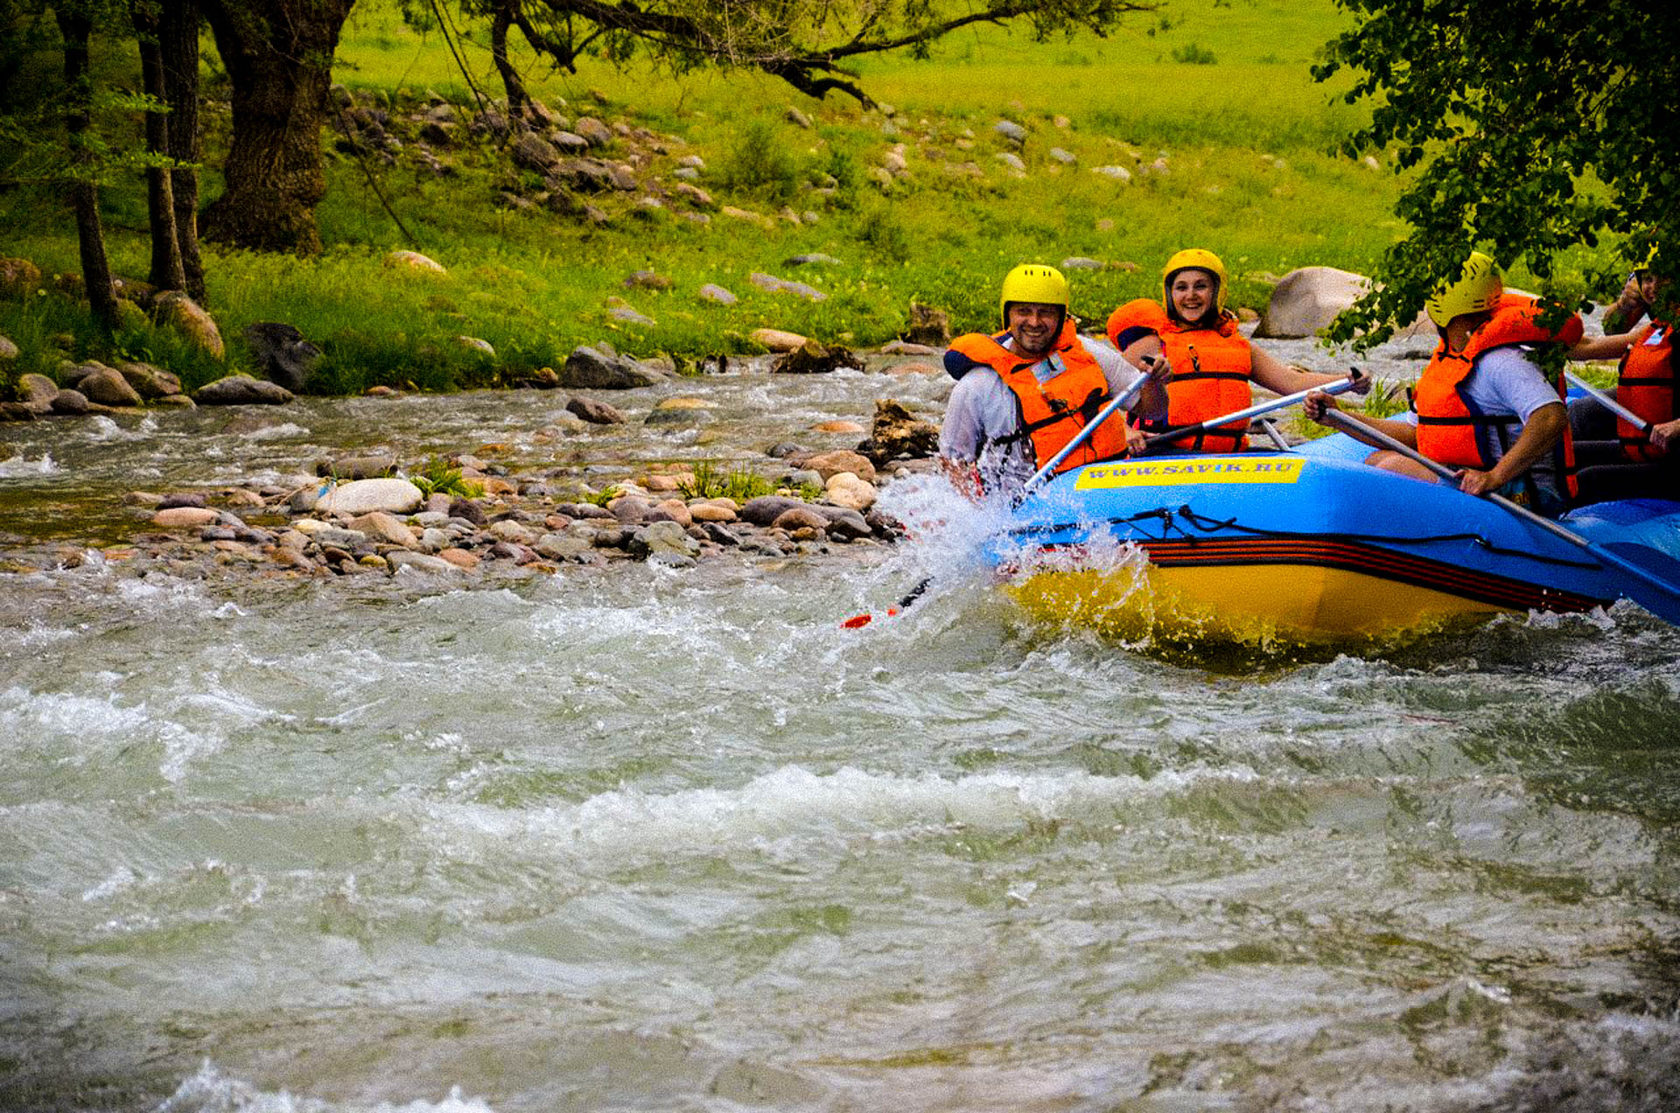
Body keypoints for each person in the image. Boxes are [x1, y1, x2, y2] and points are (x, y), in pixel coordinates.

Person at [1304, 252, 1583, 516]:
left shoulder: (1501, 361)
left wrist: (1495, 476)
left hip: (1522, 492)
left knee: (1392, 466)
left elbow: (1550, 417)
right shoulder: (1452, 358)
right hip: (1479, 482)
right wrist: (1338, 417)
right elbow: (1416, 435)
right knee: (1379, 460)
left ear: (1442, 305)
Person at [939, 263, 1171, 498]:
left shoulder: (1089, 354)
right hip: (1028, 510)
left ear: (1062, 317)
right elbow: (953, 465)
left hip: (1107, 492)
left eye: (1046, 312)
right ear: (1007, 315)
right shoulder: (975, 387)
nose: (1034, 322)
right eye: (1023, 311)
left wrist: (1153, 381)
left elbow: (1154, 411)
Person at [1106, 249, 1366, 453]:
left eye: (1201, 286)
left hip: (1229, 459)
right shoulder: (1153, 344)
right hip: (1163, 454)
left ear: (1217, 292)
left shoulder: (1238, 346)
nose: (1191, 295)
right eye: (1181, 287)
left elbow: (1293, 382)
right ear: (1169, 294)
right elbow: (1097, 395)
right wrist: (1125, 431)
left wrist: (1347, 381)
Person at [1567, 262, 1679, 503]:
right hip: (1654, 436)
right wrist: (1622, 305)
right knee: (1567, 450)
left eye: (1662, 280)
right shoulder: (1661, 325)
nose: (1653, 288)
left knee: (1589, 479)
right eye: (1647, 280)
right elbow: (1607, 335)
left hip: (1671, 453)